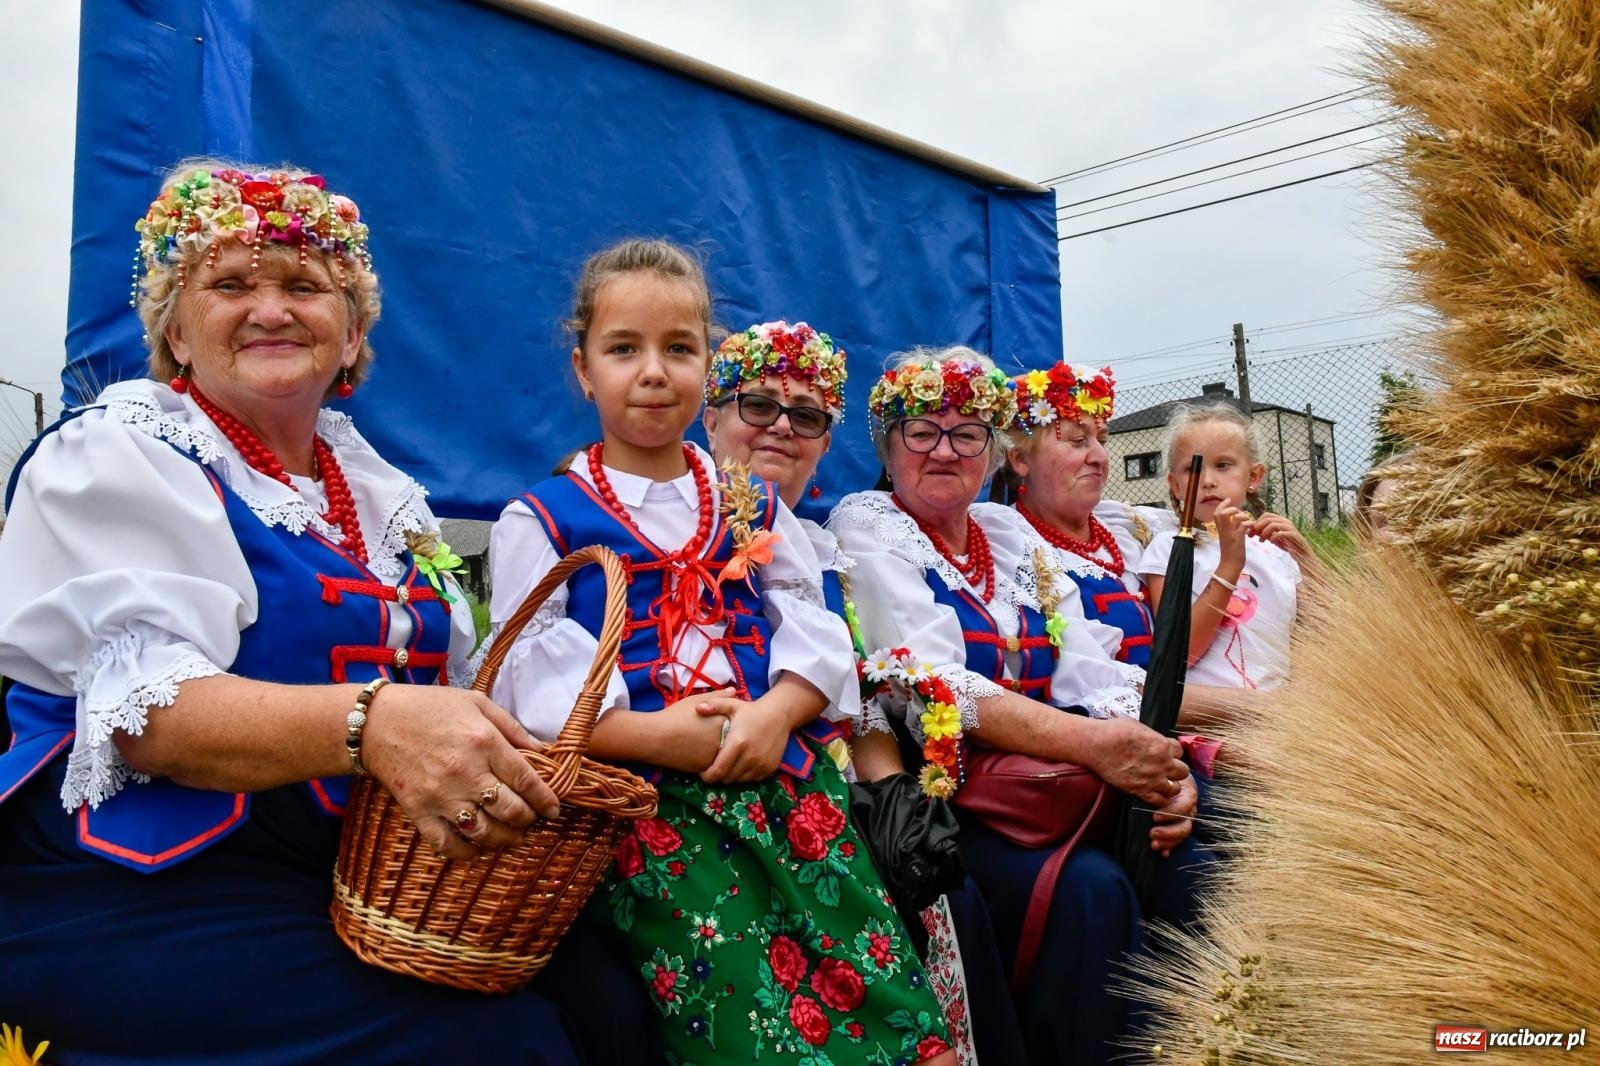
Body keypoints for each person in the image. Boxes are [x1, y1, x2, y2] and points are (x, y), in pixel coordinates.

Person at [0, 161, 654, 1064]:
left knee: (620, 1005)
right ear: (176, 334)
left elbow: (465, 688)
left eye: (305, 285)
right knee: (501, 1047)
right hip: (146, 884)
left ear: (350, 338)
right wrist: (372, 724)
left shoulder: (381, 493)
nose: (270, 309)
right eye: (229, 283)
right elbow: (151, 718)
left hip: (365, 880)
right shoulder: (118, 453)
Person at [483, 243, 956, 1065]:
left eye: (679, 348)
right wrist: (656, 736)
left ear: (709, 363)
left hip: (784, 784)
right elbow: (528, 677)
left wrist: (777, 714)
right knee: (745, 1010)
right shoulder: (542, 516)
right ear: (583, 368)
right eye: (624, 348)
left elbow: (812, 623)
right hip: (646, 808)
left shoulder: (749, 500)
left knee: (883, 991)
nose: (654, 372)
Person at [829, 346, 1195, 1066]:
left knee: (1188, 843)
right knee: (1090, 894)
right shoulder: (870, 524)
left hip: (1055, 785)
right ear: (887, 445)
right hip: (950, 798)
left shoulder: (1010, 537)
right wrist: (1094, 748)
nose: (944, 450)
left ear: (993, 449)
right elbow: (930, 680)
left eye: (967, 433)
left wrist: (1161, 761)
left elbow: (1093, 669)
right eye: (921, 430)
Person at [704, 319, 1027, 1065]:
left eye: (808, 416)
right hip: (724, 789)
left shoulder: (824, 553)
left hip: (830, 788)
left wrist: (894, 806)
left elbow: (858, 702)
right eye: (758, 406)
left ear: (824, 444)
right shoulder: (676, 533)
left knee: (944, 895)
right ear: (711, 416)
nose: (782, 427)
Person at [1139, 402, 1319, 692]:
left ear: (1254, 476)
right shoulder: (1169, 548)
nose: (1208, 481)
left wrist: (1306, 558)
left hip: (1284, 719)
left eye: (1223, 465)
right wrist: (1230, 565)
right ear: (1176, 485)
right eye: (1192, 468)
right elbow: (1179, 654)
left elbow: (1325, 635)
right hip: (1209, 721)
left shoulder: (1275, 549)